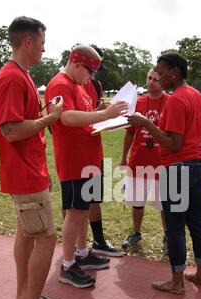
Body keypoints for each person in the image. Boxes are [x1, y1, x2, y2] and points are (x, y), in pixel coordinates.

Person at [0, 16, 68, 299]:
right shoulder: (11, 78)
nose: (43, 47)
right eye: (41, 41)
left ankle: (25, 298)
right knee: (46, 238)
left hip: (28, 171)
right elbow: (10, 130)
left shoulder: (20, 75)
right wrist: (50, 118)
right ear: (28, 42)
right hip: (23, 173)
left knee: (27, 234)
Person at [45, 44, 128, 288]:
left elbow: (84, 115)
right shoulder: (61, 84)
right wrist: (104, 115)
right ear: (77, 65)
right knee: (75, 212)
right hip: (75, 161)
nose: (92, 77)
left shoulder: (79, 86)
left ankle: (82, 253)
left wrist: (104, 113)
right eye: (90, 71)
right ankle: (68, 264)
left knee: (84, 210)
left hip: (89, 158)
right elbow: (66, 117)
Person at [128, 53, 201, 294]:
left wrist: (146, 123)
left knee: (174, 227)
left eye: (161, 73)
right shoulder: (197, 96)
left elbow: (174, 143)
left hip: (177, 168)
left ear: (174, 72)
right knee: (196, 222)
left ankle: (177, 281)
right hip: (198, 164)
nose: (159, 78)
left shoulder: (176, 100)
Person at [120, 68, 170, 254]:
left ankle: (167, 236)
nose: (151, 82)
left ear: (163, 81)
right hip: (138, 160)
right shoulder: (139, 102)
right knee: (137, 202)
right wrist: (123, 157)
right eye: (149, 78)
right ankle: (136, 232)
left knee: (163, 204)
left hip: (161, 162)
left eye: (156, 79)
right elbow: (129, 133)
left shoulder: (170, 103)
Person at [83, 44, 124, 257]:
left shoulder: (96, 85)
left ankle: (98, 240)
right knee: (73, 203)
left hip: (94, 148)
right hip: (76, 152)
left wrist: (108, 115)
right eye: (91, 69)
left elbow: (95, 113)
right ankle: (75, 246)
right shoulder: (67, 85)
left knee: (94, 198)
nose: (94, 73)